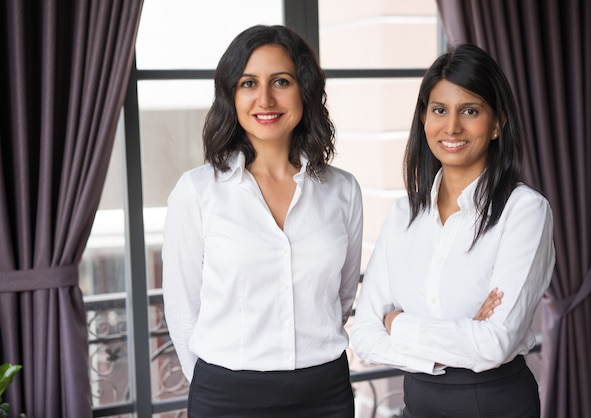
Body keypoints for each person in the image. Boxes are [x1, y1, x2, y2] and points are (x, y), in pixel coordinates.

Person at [162, 24, 363, 417]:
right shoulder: (197, 192)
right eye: (248, 83)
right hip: (226, 395)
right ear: (231, 95)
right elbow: (183, 309)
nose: (265, 98)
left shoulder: (343, 191)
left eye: (281, 81)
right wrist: (215, 383)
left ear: (304, 90)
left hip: (324, 392)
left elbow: (341, 297)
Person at [351, 43, 555, 418]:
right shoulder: (403, 214)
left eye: (471, 111)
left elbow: (494, 344)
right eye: (439, 110)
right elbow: (364, 335)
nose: (452, 126)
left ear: (497, 123)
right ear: (424, 119)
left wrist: (397, 323)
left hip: (494, 404)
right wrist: (460, 338)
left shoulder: (524, 211)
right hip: (418, 401)